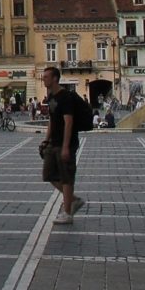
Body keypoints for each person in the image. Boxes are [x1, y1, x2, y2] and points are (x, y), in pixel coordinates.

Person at [40, 66, 84, 225]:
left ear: (55, 79)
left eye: (46, 77)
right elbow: (52, 120)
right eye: (43, 76)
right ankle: (73, 200)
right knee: (48, 174)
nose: (43, 79)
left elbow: (69, 122)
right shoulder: (51, 96)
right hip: (54, 142)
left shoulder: (64, 97)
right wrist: (46, 140)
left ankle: (67, 213)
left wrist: (66, 146)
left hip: (66, 143)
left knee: (66, 178)